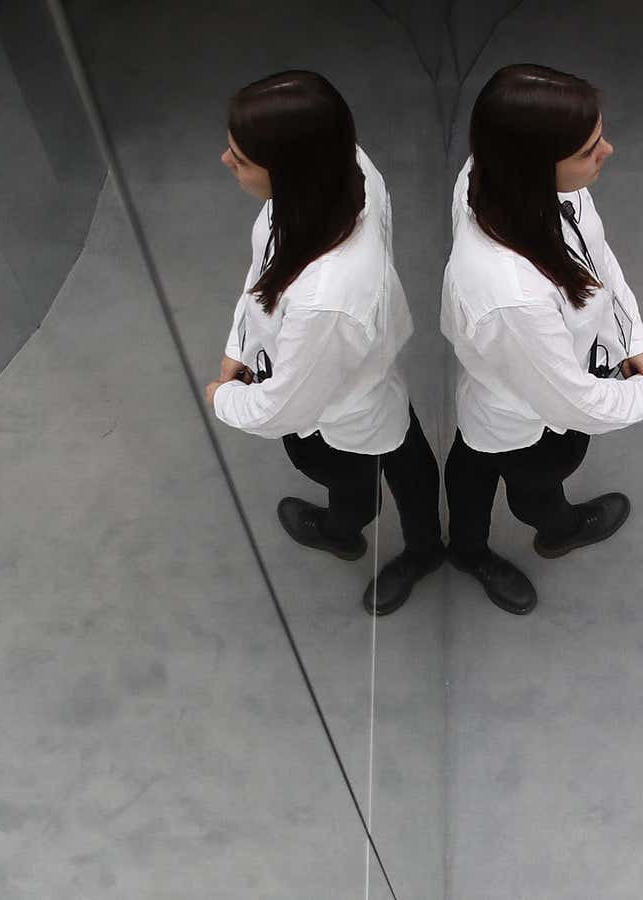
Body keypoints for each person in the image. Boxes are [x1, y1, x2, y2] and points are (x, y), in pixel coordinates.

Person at [206, 70, 444, 616]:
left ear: (288, 171)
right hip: (361, 375)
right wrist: (240, 344)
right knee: (402, 454)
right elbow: (265, 272)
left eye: (240, 157)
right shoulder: (346, 170)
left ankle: (349, 534)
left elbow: (286, 405)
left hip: (338, 405)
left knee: (354, 477)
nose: (225, 160)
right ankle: (404, 542)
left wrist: (222, 396)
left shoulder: (324, 300)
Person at [441, 64, 643, 615]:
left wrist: (631, 336)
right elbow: (569, 400)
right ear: (535, 166)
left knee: (472, 465)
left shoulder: (511, 179)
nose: (608, 151)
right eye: (590, 148)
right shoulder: (512, 291)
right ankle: (556, 531)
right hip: (532, 415)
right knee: (532, 482)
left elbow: (597, 257)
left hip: (515, 392)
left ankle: (471, 548)